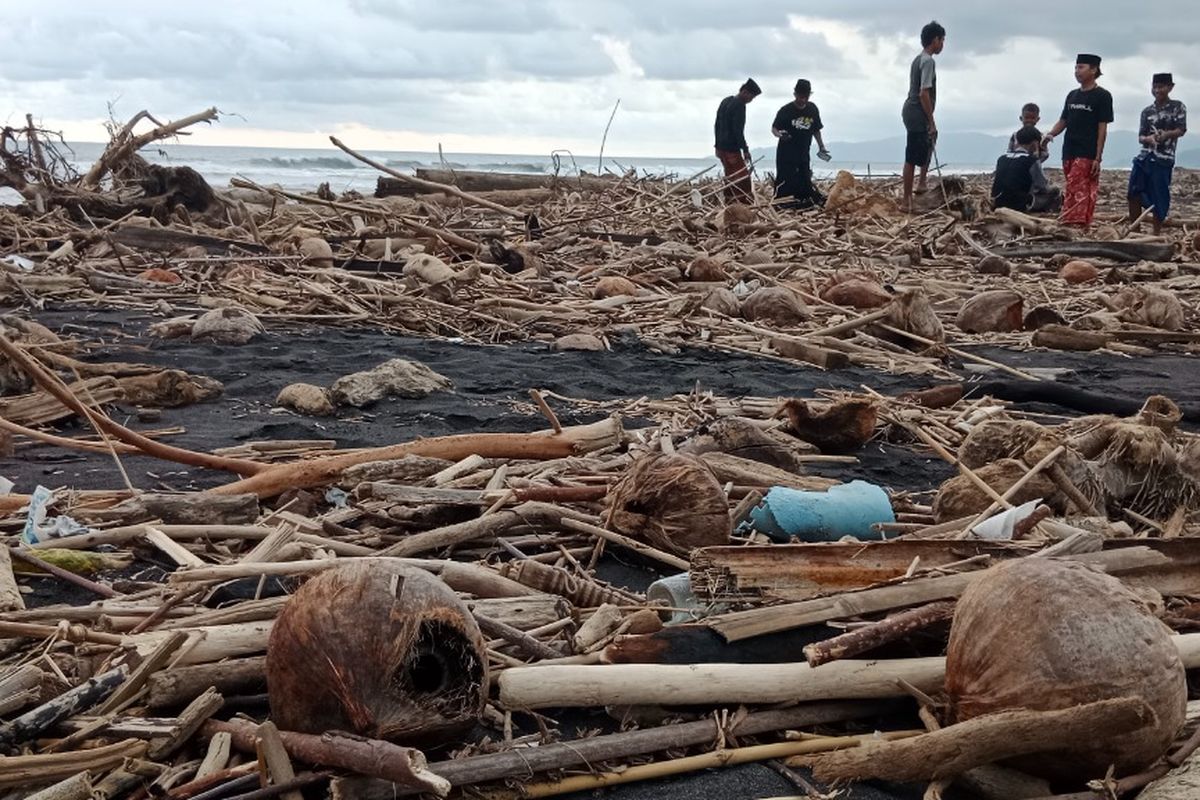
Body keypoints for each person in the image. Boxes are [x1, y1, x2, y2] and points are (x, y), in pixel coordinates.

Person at [1042, 54, 1114, 227]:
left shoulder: (1102, 96)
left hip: (1087, 151)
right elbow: (1063, 121)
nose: (1077, 71)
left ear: (1094, 70)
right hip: (1069, 149)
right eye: (1075, 67)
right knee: (1071, 186)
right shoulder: (1072, 95)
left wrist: (1098, 157)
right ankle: (1074, 221)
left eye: (1081, 67)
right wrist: (1049, 135)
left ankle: (1077, 224)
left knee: (1080, 187)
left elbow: (1102, 128)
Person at [1128, 73, 1187, 234]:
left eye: (1161, 87)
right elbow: (1141, 136)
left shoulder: (1178, 107)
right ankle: (1135, 232)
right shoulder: (1147, 111)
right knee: (1133, 192)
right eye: (1155, 87)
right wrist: (1149, 138)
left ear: (1170, 87)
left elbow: (1181, 130)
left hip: (1164, 159)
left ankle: (1156, 233)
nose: (1157, 90)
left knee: (1159, 196)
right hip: (1145, 157)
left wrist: (1165, 135)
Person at [901, 20, 946, 210]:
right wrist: (931, 120)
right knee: (912, 155)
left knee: (929, 140)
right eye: (942, 40)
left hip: (912, 110)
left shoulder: (918, 59)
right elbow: (923, 93)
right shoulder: (928, 61)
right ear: (934, 40)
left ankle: (921, 184)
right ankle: (906, 200)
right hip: (916, 111)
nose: (942, 44)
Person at [771, 78, 829, 209]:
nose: (803, 100)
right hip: (786, 153)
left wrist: (821, 146)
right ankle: (782, 204)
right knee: (785, 178)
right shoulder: (785, 110)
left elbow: (816, 129)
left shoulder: (812, 109)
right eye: (800, 96)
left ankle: (803, 202)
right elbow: (774, 128)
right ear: (795, 94)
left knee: (804, 178)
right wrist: (780, 135)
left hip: (803, 151)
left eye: (805, 97)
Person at [714, 78, 761, 205]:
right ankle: (743, 203)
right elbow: (738, 131)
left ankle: (730, 201)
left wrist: (717, 145)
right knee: (742, 177)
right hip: (731, 148)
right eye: (751, 97)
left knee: (730, 175)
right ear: (745, 92)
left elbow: (717, 125)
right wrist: (745, 150)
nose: (751, 100)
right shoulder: (740, 105)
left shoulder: (726, 101)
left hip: (721, 147)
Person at [993, 126, 1062, 212]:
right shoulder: (1031, 161)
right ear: (1035, 143)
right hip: (1020, 204)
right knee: (1055, 191)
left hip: (998, 202)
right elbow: (1042, 186)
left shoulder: (1002, 158)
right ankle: (1050, 211)